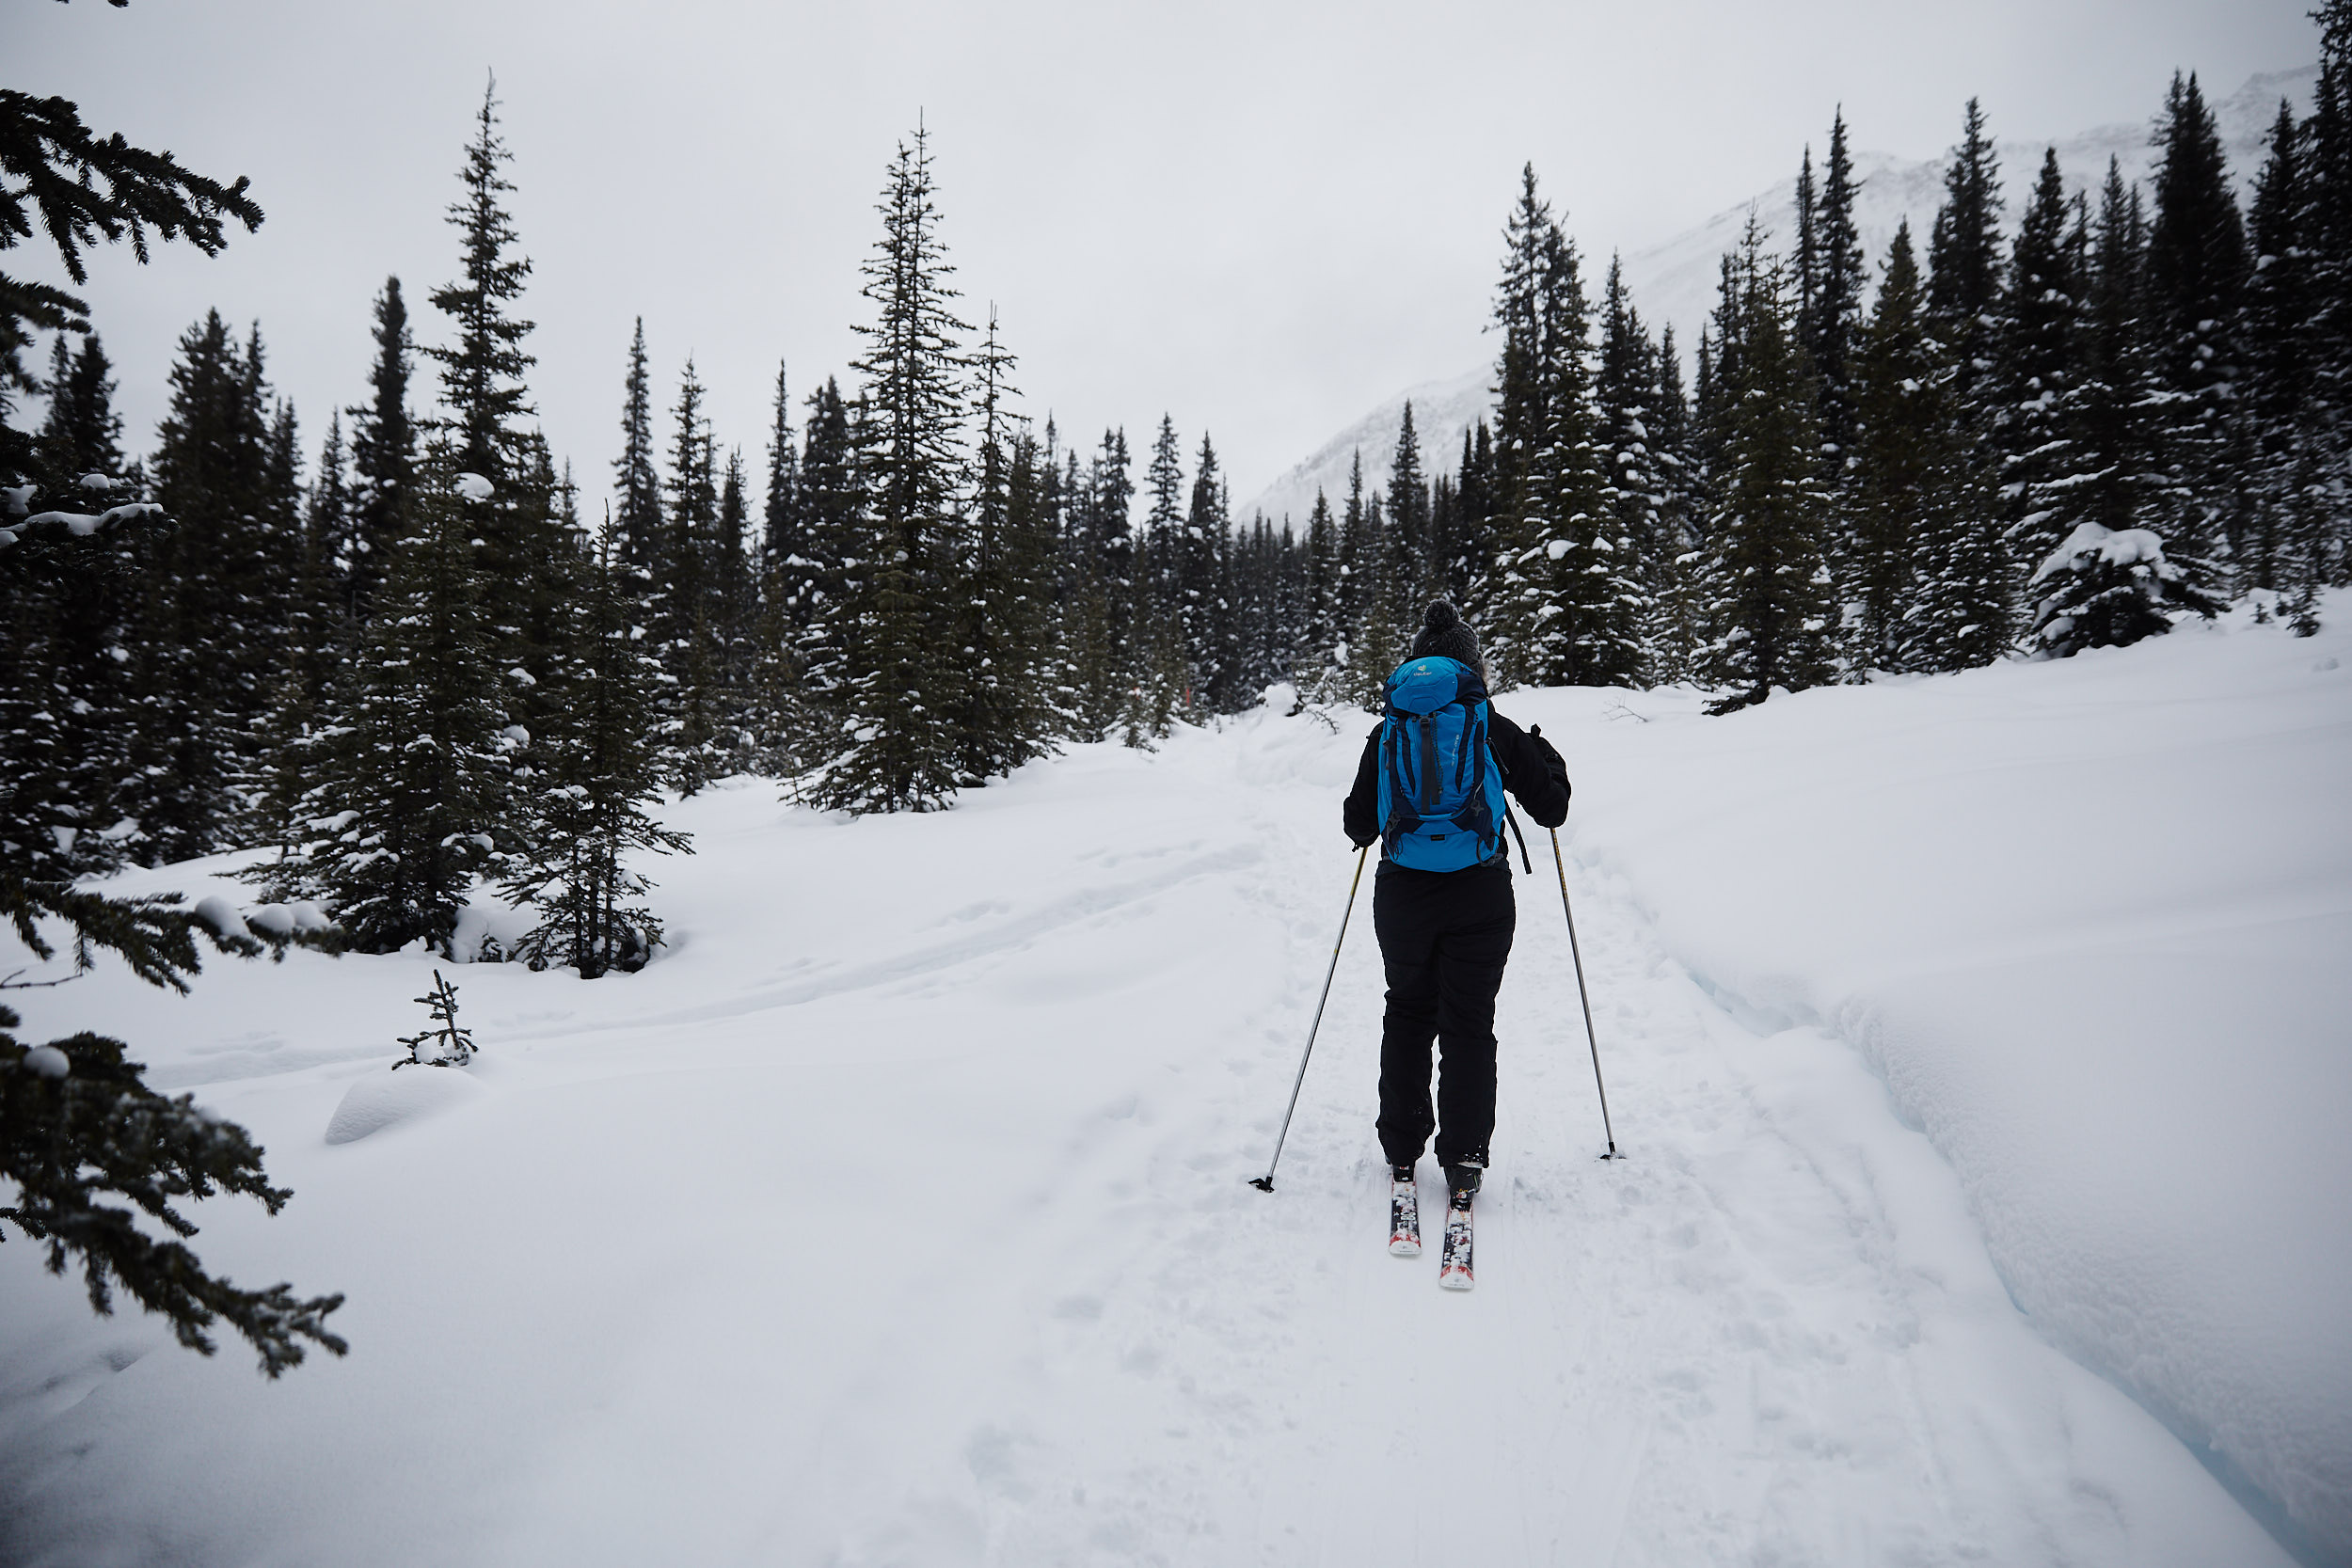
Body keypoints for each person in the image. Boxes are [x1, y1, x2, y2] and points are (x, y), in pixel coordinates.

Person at [1342, 600, 1570, 1208]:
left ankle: (1400, 1146)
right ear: (1472, 667)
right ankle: (1465, 1157)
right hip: (1480, 893)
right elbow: (1551, 807)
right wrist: (1548, 760)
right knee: (1469, 1023)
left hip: (1403, 896)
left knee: (1409, 1012)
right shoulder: (1488, 722)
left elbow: (1356, 823)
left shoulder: (1388, 727)